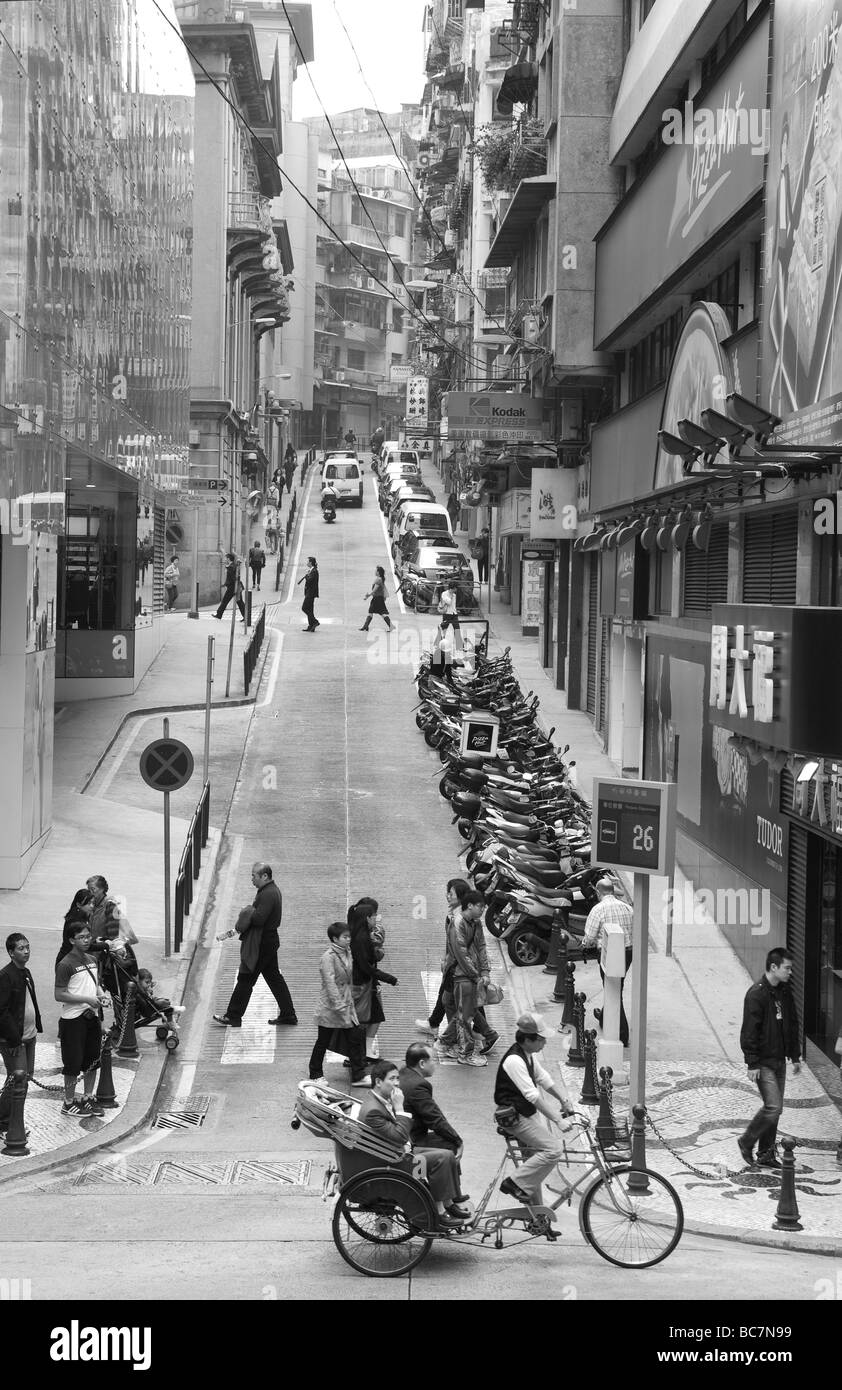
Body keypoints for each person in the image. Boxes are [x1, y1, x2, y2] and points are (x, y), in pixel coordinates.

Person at [357, 1060, 468, 1226]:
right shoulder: (373, 1110)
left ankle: (448, 1203)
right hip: (396, 1162)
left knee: (448, 1152)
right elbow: (400, 1136)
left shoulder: (380, 1100)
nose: (396, 1083)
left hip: (401, 1152)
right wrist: (400, 1108)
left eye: (397, 1079)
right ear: (378, 1082)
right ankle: (440, 1213)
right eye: (392, 1079)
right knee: (442, 1157)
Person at [494, 1012, 575, 1205]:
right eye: (541, 1040)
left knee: (533, 1165)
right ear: (528, 1040)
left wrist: (564, 1099)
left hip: (525, 1114)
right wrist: (558, 1119)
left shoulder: (527, 1055)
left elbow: (543, 1079)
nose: (544, 1044)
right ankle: (513, 1182)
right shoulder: (514, 1060)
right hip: (515, 1117)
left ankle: (537, 1218)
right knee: (553, 1149)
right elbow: (533, 1095)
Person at [738, 947, 801, 1170]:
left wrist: (794, 1055)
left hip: (779, 1060)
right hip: (763, 1062)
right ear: (773, 967)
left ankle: (765, 1153)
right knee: (773, 1107)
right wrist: (752, 1062)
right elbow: (749, 1030)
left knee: (775, 1108)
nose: (790, 972)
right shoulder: (756, 993)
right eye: (787, 968)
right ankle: (746, 1142)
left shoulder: (784, 992)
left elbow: (792, 1024)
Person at [213, 862, 297, 1028]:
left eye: (254, 875)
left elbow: (259, 919)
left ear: (264, 876)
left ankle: (233, 1016)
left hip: (262, 943)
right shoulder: (270, 891)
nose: (252, 879)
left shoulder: (268, 894)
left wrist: (247, 911)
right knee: (274, 978)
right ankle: (288, 1014)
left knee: (245, 978)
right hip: (268, 941)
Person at [399, 1043, 469, 1204]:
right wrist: (458, 1141)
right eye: (433, 1060)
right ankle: (446, 1199)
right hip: (412, 1140)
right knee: (449, 1145)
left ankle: (453, 1193)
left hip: (407, 1134)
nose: (435, 1064)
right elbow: (435, 1119)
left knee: (446, 1140)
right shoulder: (418, 1086)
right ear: (422, 1063)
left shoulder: (404, 1074)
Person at [54, 921, 110, 1117]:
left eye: (88, 936)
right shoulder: (65, 964)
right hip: (72, 1020)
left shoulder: (92, 960)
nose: (87, 940)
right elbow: (59, 994)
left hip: (91, 1018)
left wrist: (101, 994)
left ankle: (88, 1097)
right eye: (81, 937)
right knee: (72, 1063)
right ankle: (68, 1102)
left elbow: (96, 985)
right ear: (71, 940)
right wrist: (87, 999)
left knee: (92, 1060)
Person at [307, 922, 368, 1087]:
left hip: (346, 1004)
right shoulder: (328, 957)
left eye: (349, 936)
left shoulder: (347, 952)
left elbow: (348, 977)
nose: (349, 940)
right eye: (345, 937)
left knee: (354, 1037)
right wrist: (339, 1005)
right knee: (323, 1041)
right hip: (330, 1007)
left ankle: (358, 1074)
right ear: (335, 939)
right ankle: (315, 1073)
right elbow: (330, 983)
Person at [437, 890, 491, 1068]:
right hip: (462, 975)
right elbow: (461, 953)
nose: (482, 910)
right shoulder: (458, 923)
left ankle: (445, 1042)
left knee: (464, 1012)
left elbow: (481, 947)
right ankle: (465, 1053)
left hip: (470, 975)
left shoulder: (476, 924)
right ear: (470, 906)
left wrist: (485, 972)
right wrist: (476, 976)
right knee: (465, 1015)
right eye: (480, 906)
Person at [581, 877, 633, 1047]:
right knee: (615, 986)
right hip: (628, 953)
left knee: (614, 990)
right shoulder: (627, 908)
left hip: (609, 954)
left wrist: (584, 944)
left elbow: (588, 938)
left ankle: (623, 1035)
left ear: (598, 892)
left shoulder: (598, 910)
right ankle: (604, 1017)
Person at [0, 934, 42, 1132]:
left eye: (28, 947)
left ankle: (13, 1121)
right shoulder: (5, 976)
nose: (26, 951)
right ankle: (4, 1123)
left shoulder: (25, 972)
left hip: (29, 1035)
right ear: (10, 952)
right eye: (21, 948)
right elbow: (2, 1011)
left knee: (24, 1080)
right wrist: (14, 1040)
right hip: (14, 1040)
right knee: (16, 1080)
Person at [349, 898, 397, 1064]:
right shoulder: (362, 938)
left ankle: (363, 1052)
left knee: (371, 1017)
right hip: (364, 983)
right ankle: (359, 1055)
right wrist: (389, 978)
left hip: (365, 982)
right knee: (367, 1018)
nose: (376, 918)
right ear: (367, 917)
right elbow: (368, 964)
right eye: (374, 915)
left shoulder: (357, 933)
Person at [432, 580, 462, 675]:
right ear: (452, 588)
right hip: (447, 614)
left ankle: (459, 645)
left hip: (453, 614)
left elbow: (453, 605)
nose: (456, 590)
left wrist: (456, 612)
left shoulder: (454, 595)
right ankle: (438, 644)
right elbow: (448, 602)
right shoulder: (445, 594)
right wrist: (451, 595)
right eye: (455, 588)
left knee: (457, 629)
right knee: (443, 631)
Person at [359, 565, 393, 632]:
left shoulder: (378, 579)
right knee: (371, 612)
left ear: (378, 572)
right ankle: (365, 626)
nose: (375, 571)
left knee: (381, 613)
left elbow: (375, 590)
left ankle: (390, 626)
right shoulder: (380, 579)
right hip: (377, 598)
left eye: (376, 570)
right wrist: (369, 596)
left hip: (377, 599)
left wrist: (368, 595)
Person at [215, 553, 245, 622]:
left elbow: (233, 578)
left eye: (226, 558)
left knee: (225, 601)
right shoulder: (233, 566)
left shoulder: (231, 567)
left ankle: (219, 615)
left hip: (233, 587)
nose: (225, 559)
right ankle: (246, 616)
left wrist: (227, 567)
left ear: (228, 559)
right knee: (240, 602)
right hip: (235, 586)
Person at [297, 556, 319, 631]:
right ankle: (311, 625)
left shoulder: (314, 571)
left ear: (310, 563)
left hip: (311, 593)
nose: (307, 563)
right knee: (310, 609)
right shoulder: (311, 570)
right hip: (309, 592)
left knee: (304, 608)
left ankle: (315, 621)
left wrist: (307, 577)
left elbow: (310, 581)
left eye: (308, 562)